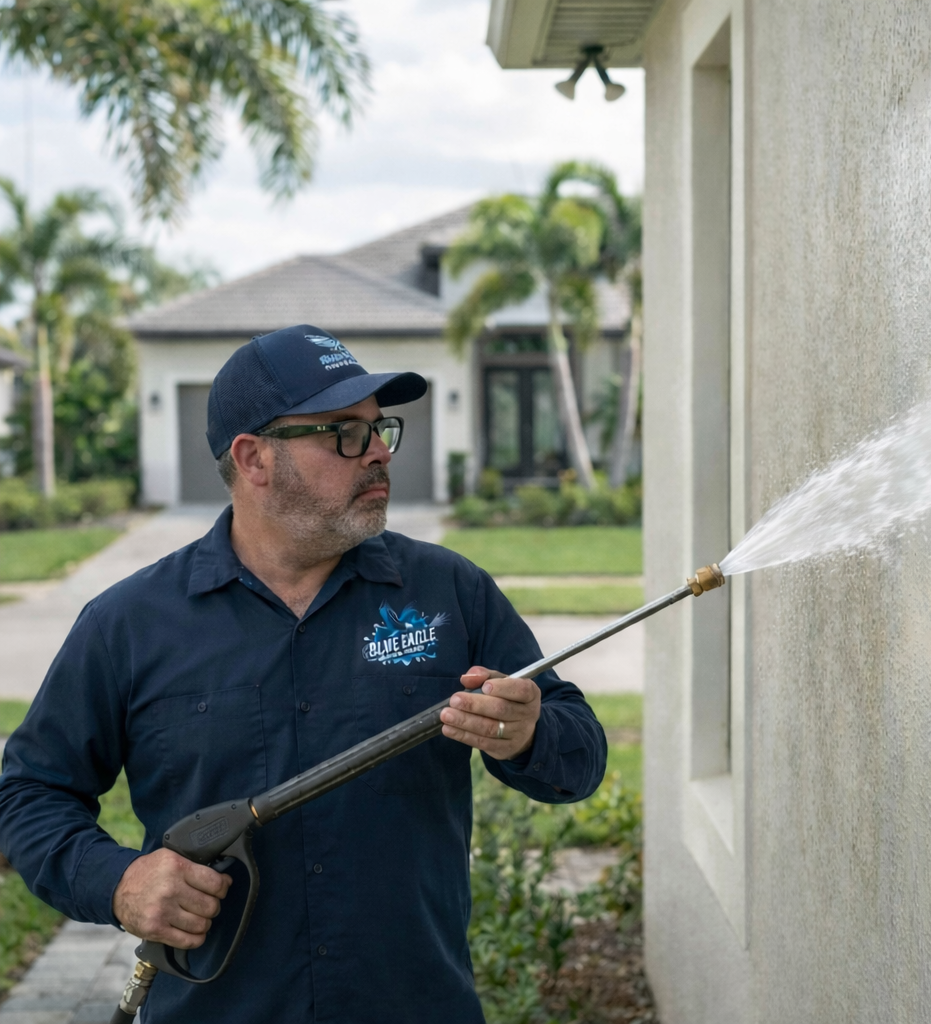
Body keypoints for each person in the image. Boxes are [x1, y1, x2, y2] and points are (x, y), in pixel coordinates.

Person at [0, 324, 607, 1023]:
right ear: (253, 458)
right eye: (344, 433)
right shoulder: (129, 625)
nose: (378, 452)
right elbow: (31, 795)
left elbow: (580, 755)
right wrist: (119, 882)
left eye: (380, 430)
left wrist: (529, 734)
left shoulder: (449, 594)